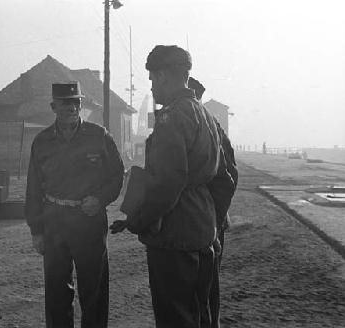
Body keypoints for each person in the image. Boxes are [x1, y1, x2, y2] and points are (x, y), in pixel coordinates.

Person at [111, 45, 229, 328]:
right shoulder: (205, 115)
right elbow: (224, 176)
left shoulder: (172, 117)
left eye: (152, 79)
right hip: (203, 229)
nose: (152, 87)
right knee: (200, 314)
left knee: (175, 317)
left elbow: (167, 183)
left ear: (162, 76)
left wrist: (138, 220)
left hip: (174, 233)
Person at [25, 81, 124, 328]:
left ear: (81, 105)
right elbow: (34, 189)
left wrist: (100, 199)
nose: (71, 108)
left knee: (94, 291)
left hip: (88, 221)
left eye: (75, 102)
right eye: (65, 103)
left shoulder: (98, 136)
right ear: (53, 106)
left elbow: (117, 175)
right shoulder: (42, 141)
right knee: (57, 292)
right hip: (54, 221)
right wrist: (36, 230)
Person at [189, 77, 238, 328]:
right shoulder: (176, 127)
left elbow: (228, 179)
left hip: (210, 223)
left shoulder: (212, 129)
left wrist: (215, 223)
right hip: (186, 224)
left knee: (207, 290)